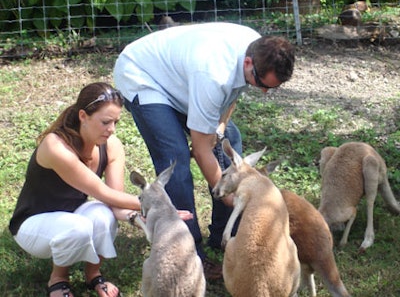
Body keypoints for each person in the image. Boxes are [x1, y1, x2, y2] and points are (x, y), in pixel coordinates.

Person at [113, 22, 295, 279]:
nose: (264, 91)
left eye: (271, 88)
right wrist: (230, 197)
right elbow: (200, 150)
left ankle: (226, 233)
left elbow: (229, 102)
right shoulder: (213, 74)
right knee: (174, 159)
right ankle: (189, 251)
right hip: (144, 75)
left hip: (182, 79)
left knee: (230, 138)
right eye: (262, 84)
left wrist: (219, 130)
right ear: (247, 63)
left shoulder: (259, 48)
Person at [9, 82, 141, 297]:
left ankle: (93, 274)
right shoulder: (56, 146)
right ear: (83, 116)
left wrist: (146, 217)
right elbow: (103, 192)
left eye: (116, 122)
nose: (112, 129)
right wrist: (158, 204)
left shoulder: (112, 145)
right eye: (105, 122)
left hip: (70, 217)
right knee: (78, 228)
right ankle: (58, 278)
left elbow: (115, 203)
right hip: (32, 225)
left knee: (103, 215)